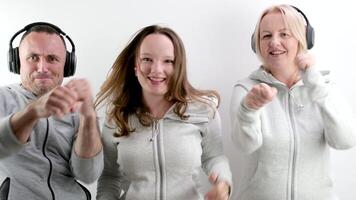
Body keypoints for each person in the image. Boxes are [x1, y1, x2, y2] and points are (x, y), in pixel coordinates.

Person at [230, 4, 356, 200]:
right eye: (266, 36)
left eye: (284, 34)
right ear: (257, 44)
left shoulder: (325, 88)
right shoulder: (247, 89)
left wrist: (317, 88)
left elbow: (345, 141)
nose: (274, 42)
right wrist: (249, 109)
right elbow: (245, 145)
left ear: (303, 39)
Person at [95, 25, 232, 200]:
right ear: (135, 66)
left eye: (168, 61)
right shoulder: (117, 117)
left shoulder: (203, 111)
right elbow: (109, 176)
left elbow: (215, 157)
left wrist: (223, 184)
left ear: (178, 67)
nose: (156, 70)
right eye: (147, 59)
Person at [0, 22, 103, 200]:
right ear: (16, 62)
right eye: (33, 58)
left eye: (52, 59)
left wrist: (88, 117)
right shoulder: (3, 98)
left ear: (67, 65)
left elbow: (87, 175)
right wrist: (33, 112)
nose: (42, 68)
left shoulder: (77, 108)